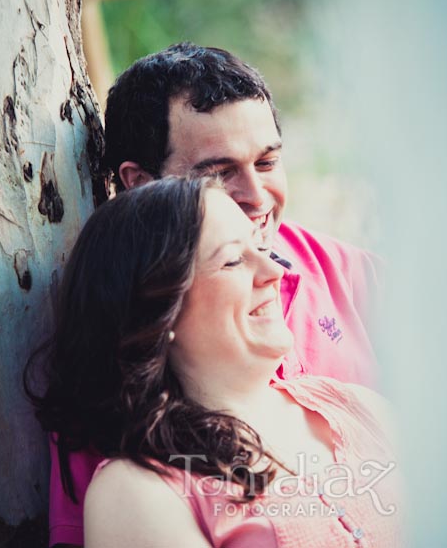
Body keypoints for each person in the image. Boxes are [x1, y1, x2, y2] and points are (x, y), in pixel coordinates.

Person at [47, 42, 383, 546]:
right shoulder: (119, 400)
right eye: (219, 173)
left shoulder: (357, 281)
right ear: (139, 185)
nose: (257, 195)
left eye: (267, 162)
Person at [27, 177, 399, 547]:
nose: (276, 273)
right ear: (158, 314)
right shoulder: (138, 493)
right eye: (234, 260)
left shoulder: (362, 408)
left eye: (261, 248)